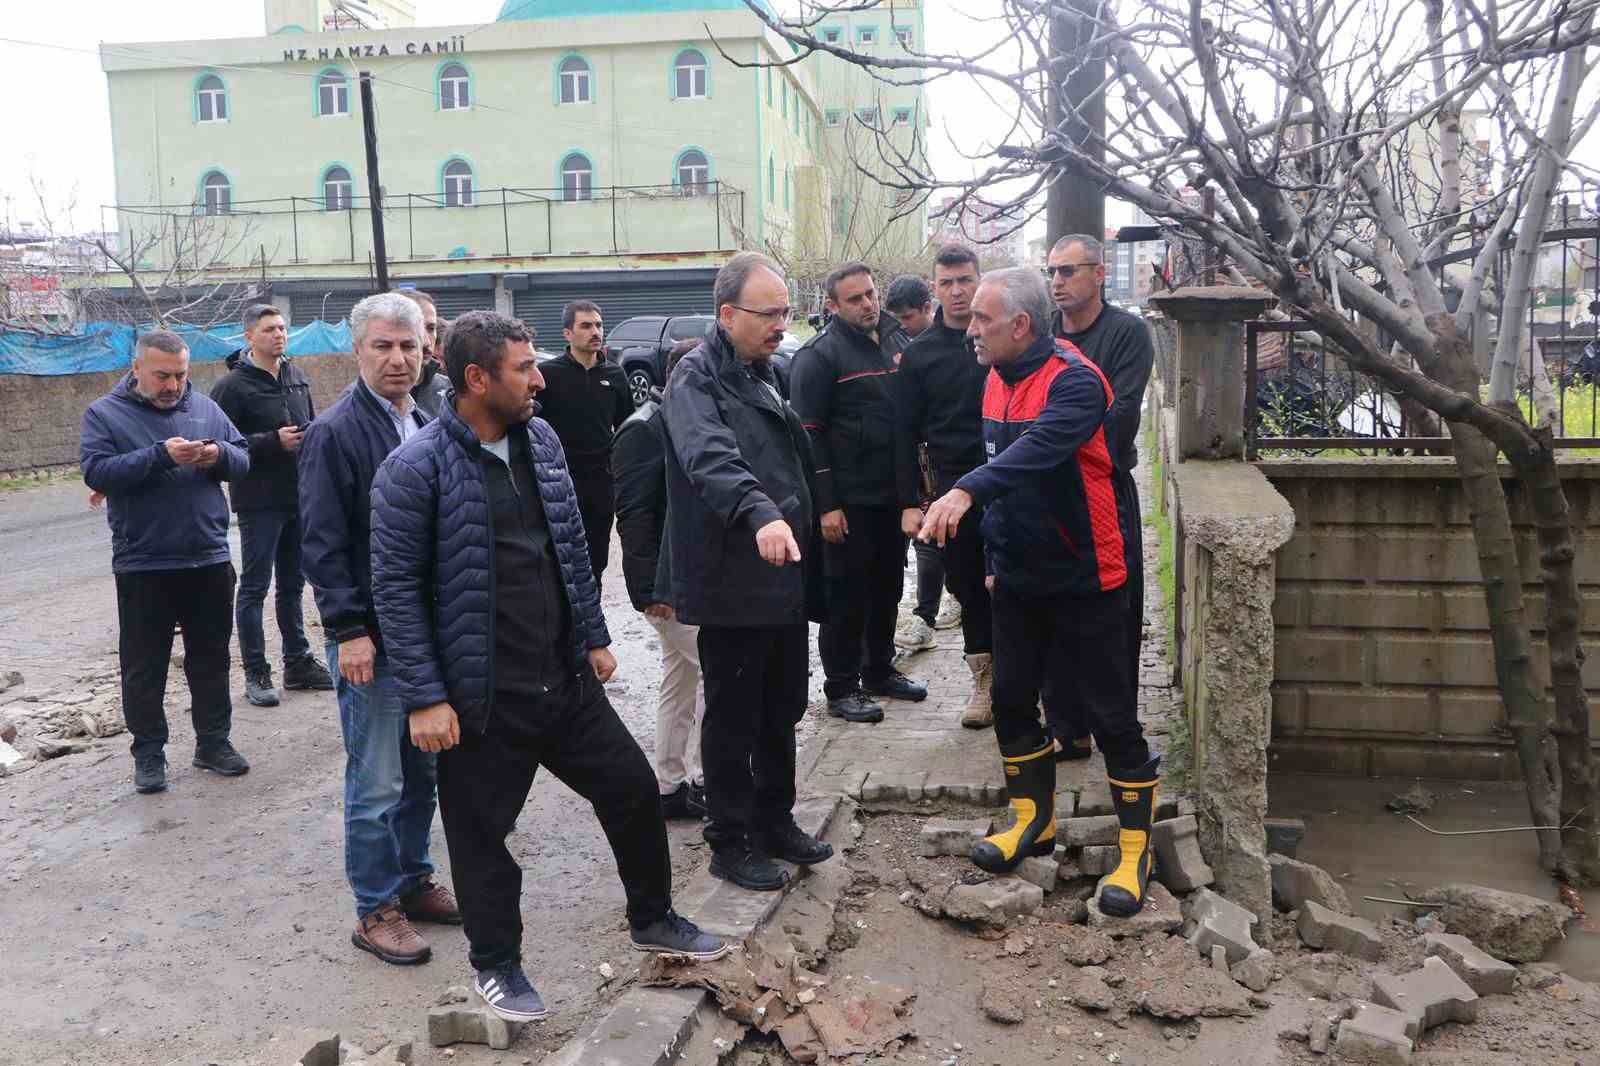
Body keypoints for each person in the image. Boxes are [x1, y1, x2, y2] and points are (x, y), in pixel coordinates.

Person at [370, 310, 726, 1023]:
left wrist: (593, 635)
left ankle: (652, 916)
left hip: (561, 680)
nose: (538, 379)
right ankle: (498, 967)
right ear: (476, 379)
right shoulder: (415, 470)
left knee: (630, 788)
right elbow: (396, 592)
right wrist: (424, 698)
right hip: (481, 696)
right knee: (480, 836)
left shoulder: (541, 439)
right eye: (522, 369)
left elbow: (568, 547)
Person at [920, 267, 1158, 918]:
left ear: (1020, 326)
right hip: (1020, 576)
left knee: (1109, 717)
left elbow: (1035, 456)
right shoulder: (995, 376)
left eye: (982, 320)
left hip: (1088, 574)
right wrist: (994, 556)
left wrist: (965, 491)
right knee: (1013, 699)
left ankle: (1137, 851)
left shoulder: (1076, 381)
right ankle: (1034, 819)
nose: (970, 328)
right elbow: (1004, 469)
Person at [658, 251, 835, 892]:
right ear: (727, 313)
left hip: (781, 570)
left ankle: (774, 820)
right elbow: (712, 457)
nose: (782, 324)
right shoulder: (695, 379)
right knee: (734, 715)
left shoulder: (768, 372)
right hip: (733, 576)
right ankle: (729, 839)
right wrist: (760, 512)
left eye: (787, 312)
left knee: (782, 704)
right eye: (770, 313)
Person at [300, 292, 458, 967]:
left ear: (427, 350)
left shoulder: (428, 421)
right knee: (376, 782)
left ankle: (413, 879)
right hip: (371, 637)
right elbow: (323, 541)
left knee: (422, 772)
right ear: (357, 350)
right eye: (383, 347)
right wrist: (347, 628)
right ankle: (375, 908)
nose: (398, 359)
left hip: (426, 634)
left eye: (409, 347)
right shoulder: (335, 432)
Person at [79, 330, 253, 794]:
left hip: (208, 558)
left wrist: (217, 456)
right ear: (136, 369)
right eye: (162, 375)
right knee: (144, 665)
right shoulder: (105, 414)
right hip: (144, 563)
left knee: (211, 659)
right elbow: (97, 471)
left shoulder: (206, 409)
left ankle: (213, 743)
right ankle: (149, 754)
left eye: (180, 374)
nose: (173, 384)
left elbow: (243, 458)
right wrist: (160, 456)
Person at [790, 263, 926, 725]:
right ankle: (842, 687)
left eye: (871, 294)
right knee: (845, 597)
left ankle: (878, 670)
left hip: (891, 497)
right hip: (847, 502)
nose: (868, 304)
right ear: (832, 306)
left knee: (887, 586)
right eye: (855, 298)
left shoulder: (894, 341)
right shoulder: (819, 356)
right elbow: (810, 434)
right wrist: (826, 504)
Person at [1045, 234, 1155, 761]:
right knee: (1052, 613)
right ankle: (1068, 728)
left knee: (1111, 615)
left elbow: (1120, 414)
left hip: (1104, 489)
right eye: (1053, 273)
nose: (1058, 282)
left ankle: (1115, 727)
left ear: (1099, 273)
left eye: (1068, 271)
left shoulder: (1127, 334)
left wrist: (1053, 440)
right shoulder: (1042, 333)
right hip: (1045, 490)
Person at [209, 304, 335, 707]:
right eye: (268, 329)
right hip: (259, 500)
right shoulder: (231, 387)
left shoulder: (296, 375)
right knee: (254, 587)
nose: (278, 335)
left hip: (298, 496)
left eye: (282, 328)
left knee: (293, 586)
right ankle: (256, 671)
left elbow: (311, 425)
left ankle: (297, 663)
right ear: (249, 337)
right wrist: (270, 442)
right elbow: (220, 445)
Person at [895, 244, 995, 728]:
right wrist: (911, 501)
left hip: (1011, 479)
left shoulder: (1003, 338)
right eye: (947, 282)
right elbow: (904, 432)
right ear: (935, 287)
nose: (957, 291)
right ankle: (986, 681)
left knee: (1019, 583)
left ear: (980, 281)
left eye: (965, 280)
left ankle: (1030, 679)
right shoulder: (918, 356)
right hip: (950, 485)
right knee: (968, 585)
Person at [613, 339, 706, 820]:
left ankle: (670, 785)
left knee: (682, 677)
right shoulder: (643, 431)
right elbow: (634, 518)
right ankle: (705, 780)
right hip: (669, 585)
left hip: (687, 577)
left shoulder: (680, 420)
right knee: (715, 670)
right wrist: (650, 591)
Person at [536, 300, 634, 587]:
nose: (595, 331)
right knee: (558, 560)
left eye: (599, 325)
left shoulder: (615, 375)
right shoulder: (548, 376)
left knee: (595, 562)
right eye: (586, 325)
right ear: (568, 333)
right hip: (557, 483)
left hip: (600, 486)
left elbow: (628, 429)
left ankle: (591, 625)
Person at [884, 273, 954, 656]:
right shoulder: (901, 347)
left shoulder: (957, 343)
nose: (903, 327)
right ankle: (925, 615)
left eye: (908, 318)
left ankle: (940, 605)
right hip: (918, 460)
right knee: (926, 538)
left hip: (950, 459)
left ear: (928, 308)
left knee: (937, 538)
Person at [397, 289, 451, 418]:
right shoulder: (367, 400)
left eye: (431, 328)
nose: (426, 341)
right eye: (417, 328)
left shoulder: (449, 390)